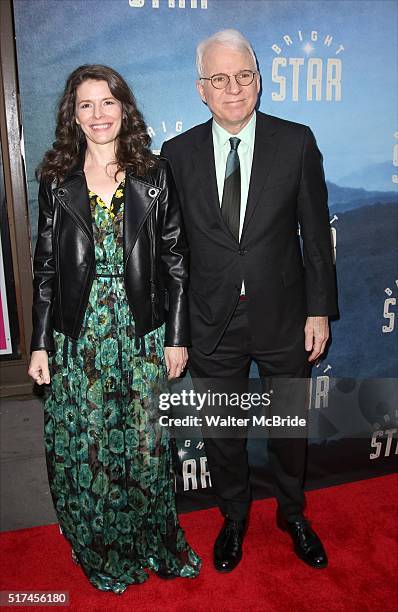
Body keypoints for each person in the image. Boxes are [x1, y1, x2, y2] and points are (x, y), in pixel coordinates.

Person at [161, 30, 338, 572]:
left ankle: (292, 513)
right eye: (219, 78)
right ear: (201, 89)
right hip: (211, 318)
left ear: (258, 82)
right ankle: (233, 516)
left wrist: (318, 309)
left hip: (285, 316)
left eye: (242, 76)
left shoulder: (297, 141)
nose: (232, 88)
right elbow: (174, 251)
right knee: (223, 432)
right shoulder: (177, 153)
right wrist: (177, 330)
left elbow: (315, 233)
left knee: (289, 427)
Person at [28, 64, 200, 593]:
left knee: (146, 445)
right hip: (79, 336)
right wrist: (38, 344)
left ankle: (154, 541)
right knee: (93, 446)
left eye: (107, 102)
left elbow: (175, 261)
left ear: (124, 107)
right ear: (72, 115)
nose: (98, 114)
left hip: (142, 331)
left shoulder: (155, 174)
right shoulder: (57, 179)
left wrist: (176, 335)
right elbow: (45, 268)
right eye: (86, 105)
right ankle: (104, 549)